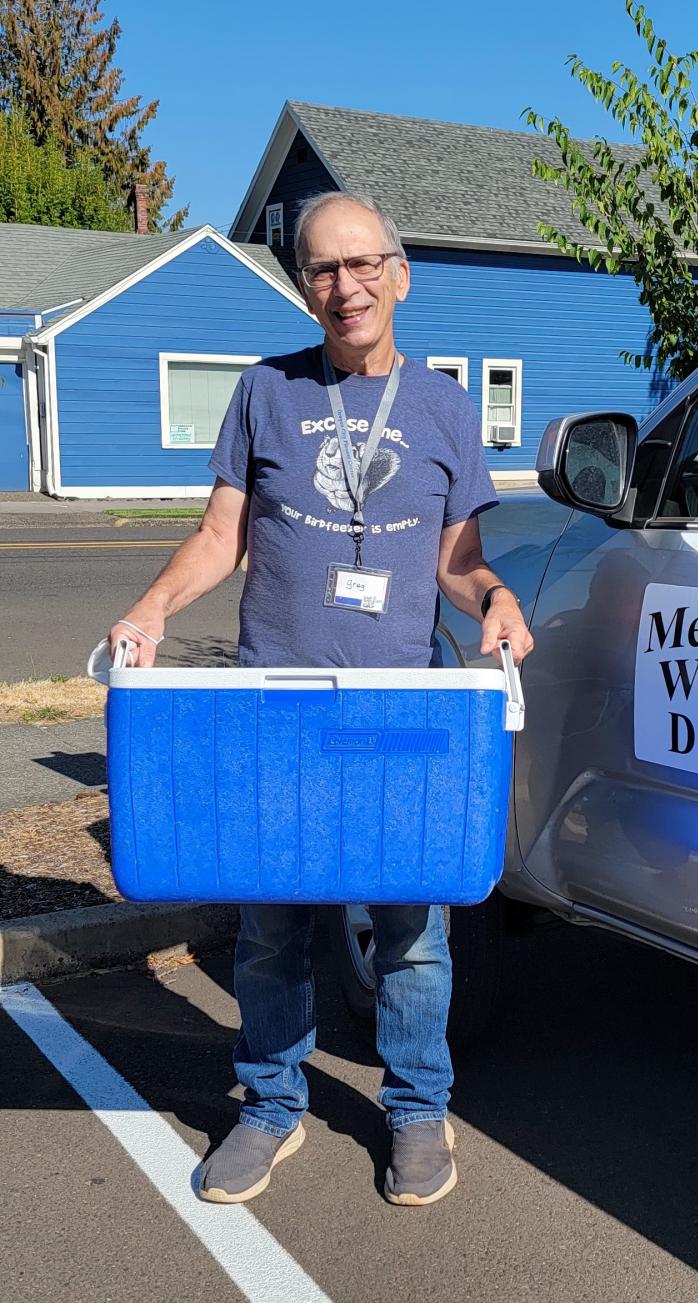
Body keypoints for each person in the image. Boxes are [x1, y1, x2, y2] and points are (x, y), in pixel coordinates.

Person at [107, 191, 534, 1208]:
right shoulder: (265, 391)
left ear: (399, 274)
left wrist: (498, 599)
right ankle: (269, 1105)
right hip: (280, 709)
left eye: (362, 263)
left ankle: (418, 1108)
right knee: (272, 929)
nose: (347, 286)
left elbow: (459, 561)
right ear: (305, 287)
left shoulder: (444, 407)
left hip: (397, 712)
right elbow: (222, 535)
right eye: (324, 269)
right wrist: (152, 607)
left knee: (411, 931)